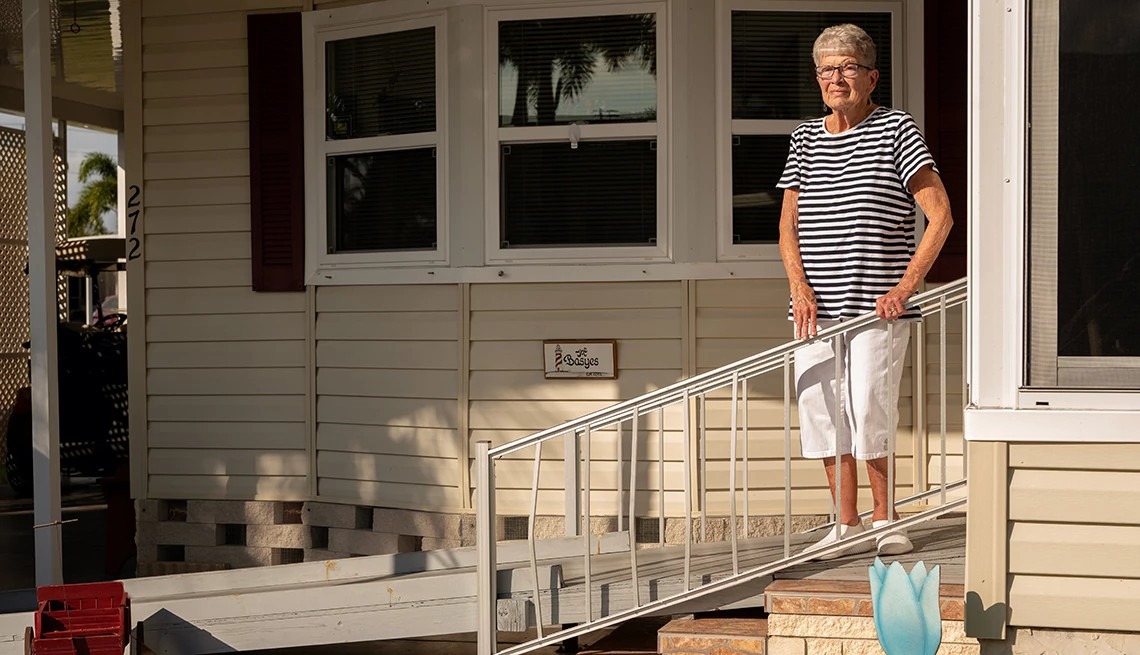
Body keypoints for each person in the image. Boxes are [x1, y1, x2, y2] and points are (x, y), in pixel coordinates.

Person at [777, 24, 953, 559]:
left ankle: (886, 519)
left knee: (869, 409)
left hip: (878, 306)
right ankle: (846, 522)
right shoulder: (804, 138)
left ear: (872, 76)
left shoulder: (897, 129)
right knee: (823, 412)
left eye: (848, 67)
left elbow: (940, 216)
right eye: (827, 69)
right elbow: (788, 225)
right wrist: (799, 288)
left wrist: (905, 286)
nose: (837, 78)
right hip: (815, 309)